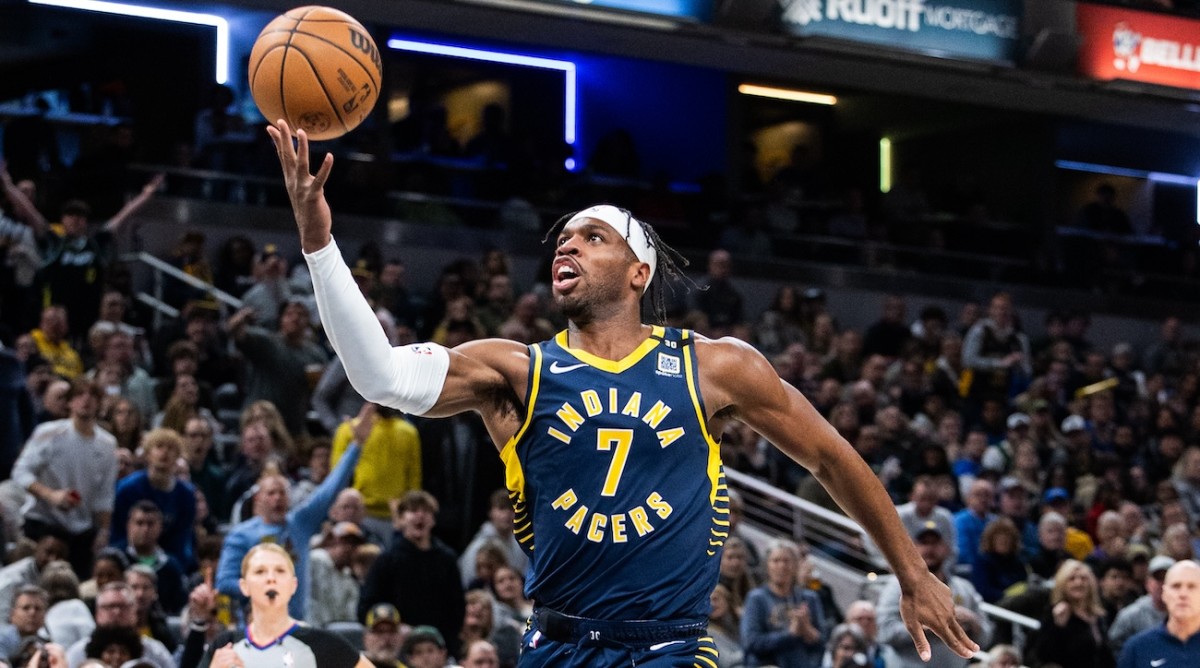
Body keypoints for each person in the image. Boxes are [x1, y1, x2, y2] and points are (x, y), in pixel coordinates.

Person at [267, 120, 978, 667]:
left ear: (638, 273)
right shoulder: (515, 371)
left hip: (669, 647)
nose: (567, 246)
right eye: (563, 239)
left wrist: (910, 573)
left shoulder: (715, 367)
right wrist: (318, 240)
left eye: (593, 237)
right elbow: (379, 377)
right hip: (556, 643)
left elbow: (830, 456)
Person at [198, 544, 372, 667]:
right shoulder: (226, 645)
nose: (271, 578)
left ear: (293, 585)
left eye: (280, 571)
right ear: (244, 586)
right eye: (260, 571)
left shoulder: (322, 643)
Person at [13, 379, 118, 579]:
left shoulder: (107, 444)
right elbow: (20, 472)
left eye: (93, 396)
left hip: (80, 531)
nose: (86, 400)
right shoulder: (49, 432)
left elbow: (104, 495)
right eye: (80, 395)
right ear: (69, 402)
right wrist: (50, 495)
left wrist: (104, 531)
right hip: (42, 521)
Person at [739, 539, 828, 668]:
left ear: (795, 565)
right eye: (776, 561)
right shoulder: (757, 598)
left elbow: (823, 643)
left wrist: (807, 630)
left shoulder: (809, 598)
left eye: (786, 561)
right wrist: (790, 634)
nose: (781, 566)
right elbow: (751, 642)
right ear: (767, 565)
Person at [1117, 559, 1200, 668]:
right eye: (1176, 586)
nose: (1183, 594)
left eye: (1192, 586)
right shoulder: (1137, 648)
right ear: (1164, 594)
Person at [1034, 559, 1115, 668]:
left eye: (1083, 578)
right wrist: (1058, 626)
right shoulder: (1054, 612)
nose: (1078, 583)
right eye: (1072, 579)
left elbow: (1105, 654)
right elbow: (1044, 655)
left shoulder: (1098, 615)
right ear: (1062, 584)